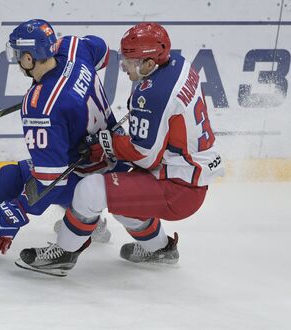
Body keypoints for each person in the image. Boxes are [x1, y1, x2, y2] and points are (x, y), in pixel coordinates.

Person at [16, 22, 225, 276]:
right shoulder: (176, 64)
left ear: (149, 63)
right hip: (186, 172)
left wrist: (106, 143)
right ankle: (160, 250)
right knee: (124, 201)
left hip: (178, 188)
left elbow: (146, 157)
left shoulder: (153, 94)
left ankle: (63, 254)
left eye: (130, 60)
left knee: (90, 190)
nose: (123, 65)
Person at [0, 19, 129, 255]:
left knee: (7, 181)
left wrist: (16, 210)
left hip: (92, 176)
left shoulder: (41, 107)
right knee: (18, 175)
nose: (17, 59)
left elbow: (51, 179)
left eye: (19, 54)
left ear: (29, 58)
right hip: (114, 155)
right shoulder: (72, 48)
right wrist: (64, 85)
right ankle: (90, 221)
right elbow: (101, 51)